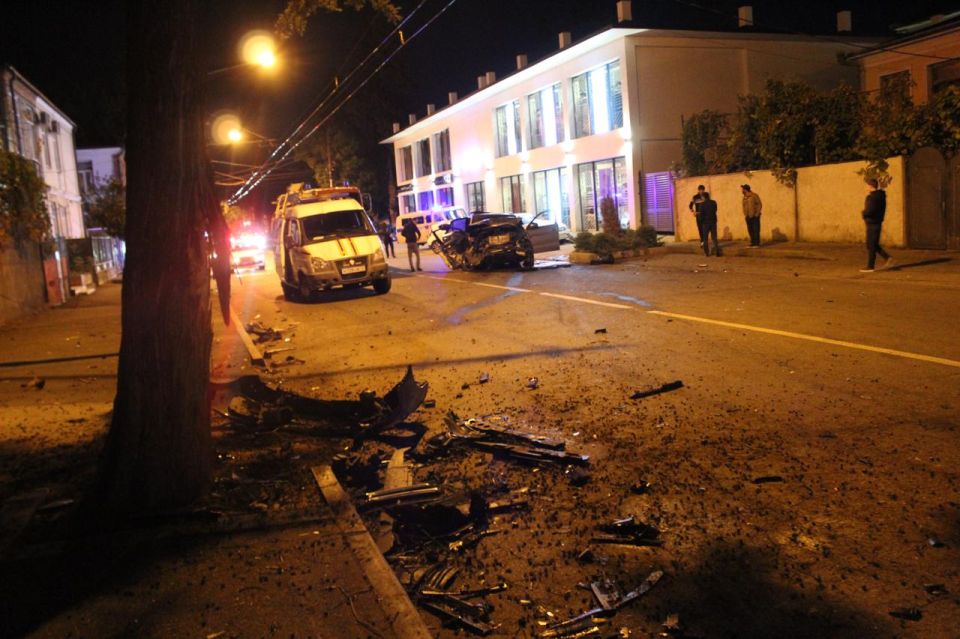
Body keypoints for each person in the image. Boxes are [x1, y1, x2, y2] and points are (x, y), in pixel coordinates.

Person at [860, 178, 893, 273]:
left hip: (873, 223)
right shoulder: (879, 196)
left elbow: (870, 210)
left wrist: (864, 213)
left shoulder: (873, 197)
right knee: (872, 244)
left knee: (871, 245)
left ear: (871, 186)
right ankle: (888, 258)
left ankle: (870, 266)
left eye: (867, 185)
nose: (866, 187)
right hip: (875, 222)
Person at [699, 191, 720, 257]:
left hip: (705, 223)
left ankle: (706, 253)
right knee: (714, 237)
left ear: (704, 197)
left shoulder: (702, 205)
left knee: (705, 239)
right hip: (713, 222)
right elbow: (715, 210)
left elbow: (701, 215)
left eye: (702, 197)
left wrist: (701, 221)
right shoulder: (714, 202)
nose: (701, 198)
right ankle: (717, 252)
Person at [689, 184, 707, 249]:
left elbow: (709, 204)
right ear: (698, 190)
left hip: (705, 215)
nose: (702, 191)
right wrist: (693, 212)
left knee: (705, 228)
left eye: (703, 190)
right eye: (700, 190)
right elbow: (690, 205)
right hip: (698, 215)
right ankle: (702, 241)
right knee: (700, 228)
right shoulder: (695, 197)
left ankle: (705, 241)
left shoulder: (706, 196)